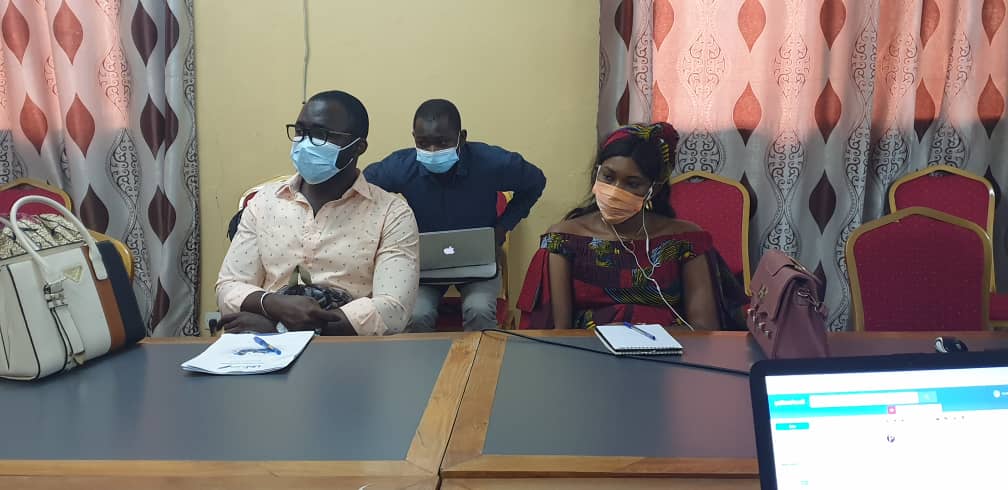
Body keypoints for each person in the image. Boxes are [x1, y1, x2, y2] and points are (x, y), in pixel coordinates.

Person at [216, 90, 419, 335]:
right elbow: (229, 286)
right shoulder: (264, 203)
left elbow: (392, 310)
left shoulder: (392, 214)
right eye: (300, 131)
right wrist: (271, 304)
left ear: (358, 147)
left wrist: (279, 328)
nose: (305, 143)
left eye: (321, 135)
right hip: (261, 347)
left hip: (348, 347)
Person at [516, 123, 745, 330]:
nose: (616, 191)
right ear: (597, 173)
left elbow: (704, 328)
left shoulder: (686, 241)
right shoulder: (564, 239)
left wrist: (644, 340)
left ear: (653, 189)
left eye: (632, 183)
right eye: (608, 177)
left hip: (669, 356)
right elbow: (560, 332)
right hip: (588, 355)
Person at [364, 99, 546, 331]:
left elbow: (535, 181)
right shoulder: (402, 166)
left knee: (479, 310)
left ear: (462, 137)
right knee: (415, 315)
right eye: (423, 143)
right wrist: (388, 233)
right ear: (414, 138)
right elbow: (363, 190)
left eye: (442, 143)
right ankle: (420, 357)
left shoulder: (491, 163)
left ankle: (483, 356)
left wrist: (503, 227)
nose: (432, 151)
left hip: (479, 261)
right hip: (425, 265)